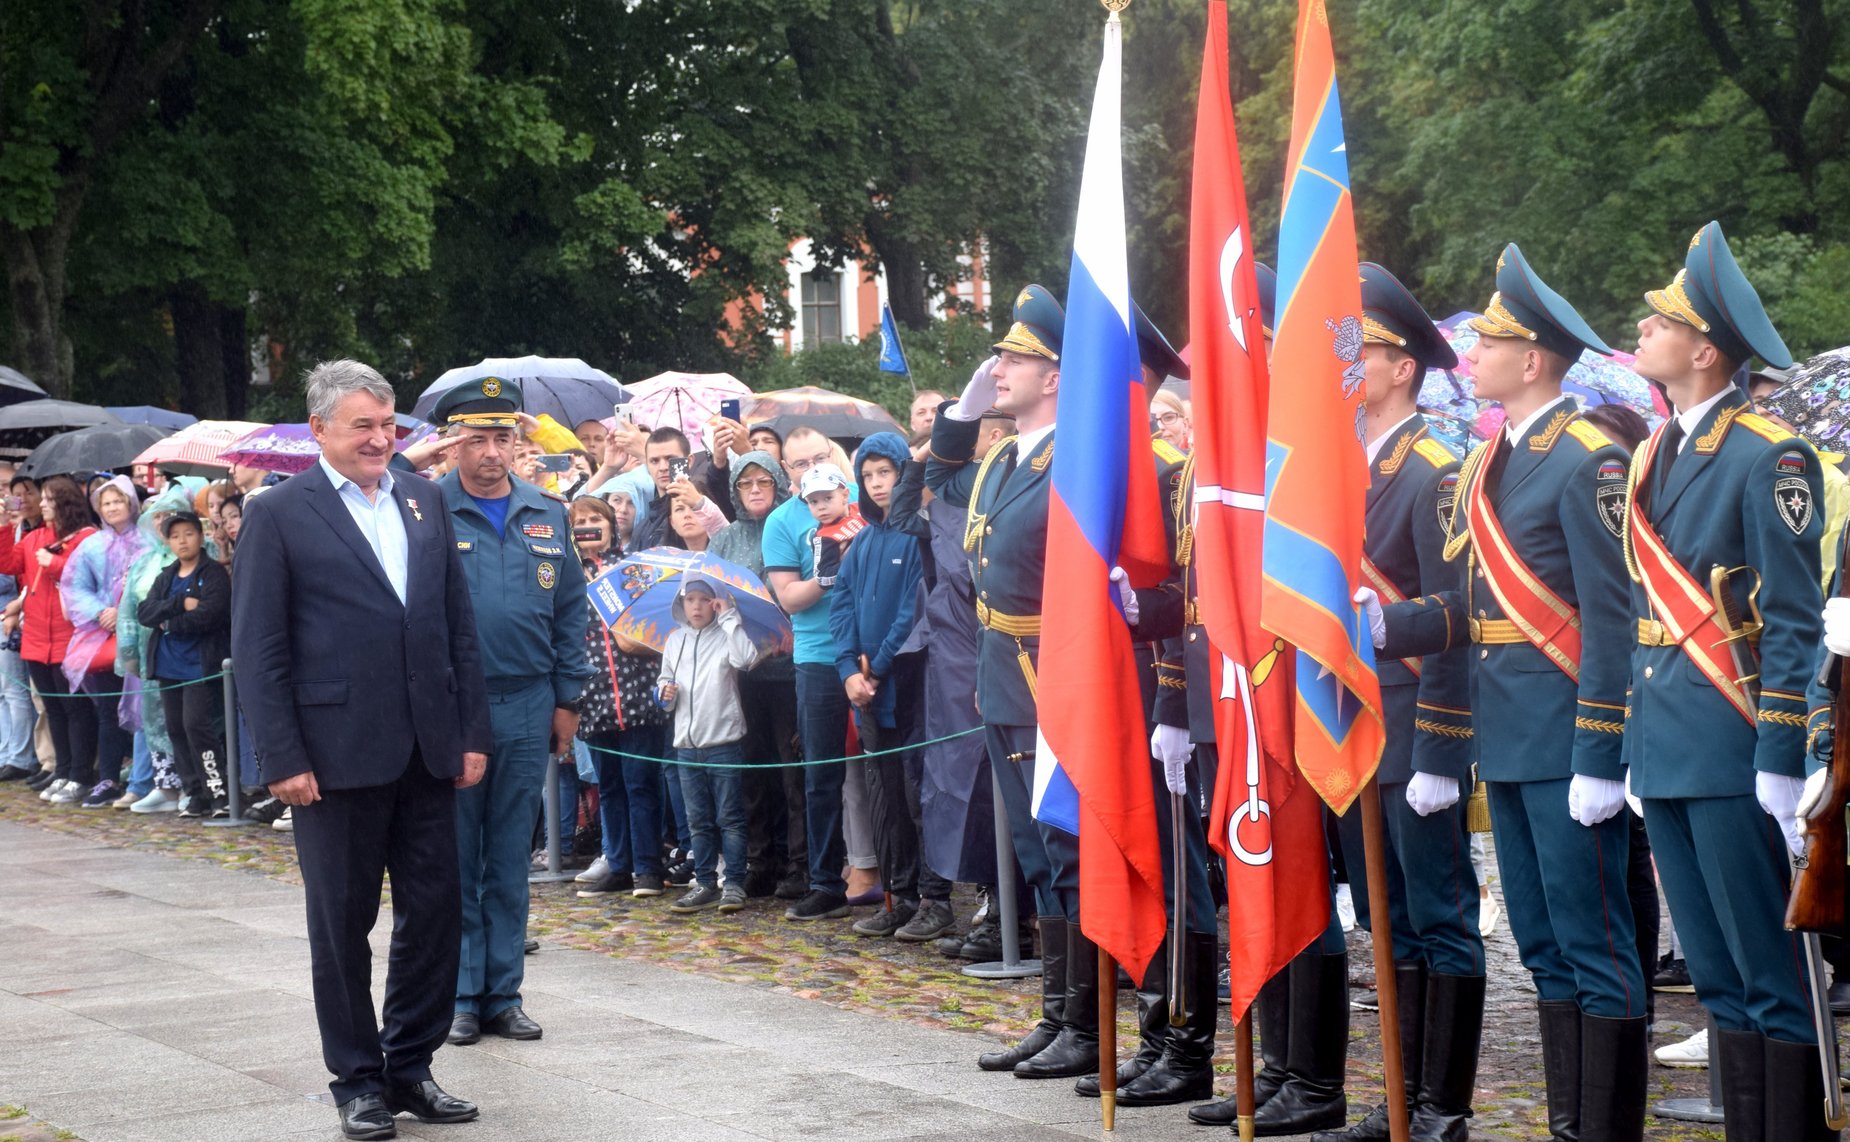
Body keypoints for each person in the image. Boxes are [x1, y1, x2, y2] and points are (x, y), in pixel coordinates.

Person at [1372, 245, 1645, 1140]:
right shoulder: (1490, 462)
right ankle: (1569, 1126)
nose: (1472, 353)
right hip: (1509, 738)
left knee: (1596, 946)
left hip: (1567, 735)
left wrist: (1602, 752)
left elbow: (1610, 620)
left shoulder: (1590, 459)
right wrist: (1388, 624)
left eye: (1490, 340)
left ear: (1533, 361)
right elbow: (1470, 609)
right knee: (1542, 946)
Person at [233, 359, 491, 1139]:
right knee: (342, 924)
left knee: (437, 914)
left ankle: (410, 1065)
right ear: (320, 431)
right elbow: (260, 647)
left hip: (426, 750)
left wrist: (470, 731)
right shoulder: (279, 513)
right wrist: (280, 756)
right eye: (364, 426)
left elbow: (454, 625)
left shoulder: (422, 498)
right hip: (332, 757)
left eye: (388, 425)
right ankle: (357, 1079)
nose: (381, 439)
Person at [1628, 223, 1833, 1139]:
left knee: (1766, 971)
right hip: (1667, 742)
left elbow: (1792, 620)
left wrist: (1781, 752)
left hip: (1731, 739)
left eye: (1662, 319)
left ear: (1704, 350)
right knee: (1713, 975)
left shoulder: (1767, 454)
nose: (1643, 325)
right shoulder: (1652, 452)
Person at [1316, 265, 1481, 1142]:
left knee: (1440, 917)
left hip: (1414, 724)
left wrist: (1444, 750)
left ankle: (1443, 1107)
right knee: (1387, 920)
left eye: (1363, 351)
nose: (1347, 367)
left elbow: (1459, 618)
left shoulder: (1434, 470)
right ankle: (1400, 1100)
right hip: (1353, 716)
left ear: (1404, 367)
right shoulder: (1342, 464)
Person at [926, 284, 1095, 1079]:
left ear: (1056, 374)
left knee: (1068, 851)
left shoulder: (1080, 457)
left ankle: (1087, 1025)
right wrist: (962, 410)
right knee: (1035, 855)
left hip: (1051, 677)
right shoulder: (999, 457)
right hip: (1001, 680)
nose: (999, 367)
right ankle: (1057, 1015)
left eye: (1016, 357)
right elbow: (926, 488)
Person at [431, 376, 589, 1050]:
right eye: (477, 439)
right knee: (457, 857)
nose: (492, 452)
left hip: (529, 701)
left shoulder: (545, 514)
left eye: (502, 438)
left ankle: (504, 993)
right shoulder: (427, 510)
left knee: (510, 854)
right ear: (454, 444)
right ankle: (462, 995)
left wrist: (567, 698)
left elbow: (571, 612)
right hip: (455, 705)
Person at [829, 431, 948, 938]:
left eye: (887, 473)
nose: (878, 484)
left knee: (923, 793)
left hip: (909, 684)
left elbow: (912, 609)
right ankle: (899, 895)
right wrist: (848, 671)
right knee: (886, 798)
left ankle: (936, 900)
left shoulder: (917, 536)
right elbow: (841, 607)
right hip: (866, 693)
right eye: (869, 474)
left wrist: (874, 667)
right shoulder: (861, 542)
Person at [764, 427, 863, 922]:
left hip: (872, 650)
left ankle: (909, 889)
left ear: (835, 458)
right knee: (821, 772)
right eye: (798, 465)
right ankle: (826, 882)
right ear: (786, 473)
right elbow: (788, 598)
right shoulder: (783, 521)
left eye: (817, 459)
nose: (809, 471)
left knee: (890, 772)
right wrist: (827, 576)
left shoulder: (862, 498)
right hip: (819, 654)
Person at [709, 450, 806, 899]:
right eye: (745, 485)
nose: (753, 491)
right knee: (750, 769)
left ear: (778, 485)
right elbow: (706, 592)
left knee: (793, 770)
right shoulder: (726, 539)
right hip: (742, 671)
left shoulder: (790, 524)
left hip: (788, 671)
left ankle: (798, 862)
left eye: (762, 483)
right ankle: (760, 858)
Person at [569, 495, 669, 899]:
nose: (590, 526)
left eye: (597, 518)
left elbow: (655, 626)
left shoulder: (632, 568)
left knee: (640, 782)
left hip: (637, 690)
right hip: (593, 693)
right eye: (581, 521)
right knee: (608, 785)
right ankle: (618, 862)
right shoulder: (564, 573)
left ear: (612, 525)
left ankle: (648, 867)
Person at [656, 576, 762, 913]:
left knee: (729, 817)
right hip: (686, 745)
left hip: (723, 742)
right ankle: (704, 882)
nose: (698, 606)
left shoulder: (727, 634)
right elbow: (664, 683)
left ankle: (733, 881)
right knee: (697, 819)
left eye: (705, 599)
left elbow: (746, 659)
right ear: (681, 605)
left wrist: (730, 617)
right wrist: (664, 695)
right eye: (691, 600)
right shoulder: (675, 641)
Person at [0, 475, 99, 805]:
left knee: (76, 709)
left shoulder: (86, 538)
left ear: (64, 502)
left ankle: (81, 774)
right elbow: (9, 562)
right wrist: (3, 524)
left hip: (69, 638)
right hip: (36, 638)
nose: (40, 503)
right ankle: (64, 770)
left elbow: (91, 578)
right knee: (55, 709)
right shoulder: (35, 537)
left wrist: (55, 563)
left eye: (46, 498)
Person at [60, 476, 150, 809]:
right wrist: (101, 612)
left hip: (136, 634)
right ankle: (109, 776)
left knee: (142, 707)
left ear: (131, 503)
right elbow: (73, 586)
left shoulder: (146, 542)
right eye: (107, 503)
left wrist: (125, 611)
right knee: (108, 710)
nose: (113, 508)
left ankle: (141, 776)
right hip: (98, 636)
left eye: (119, 501)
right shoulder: (91, 545)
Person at [137, 511, 232, 821]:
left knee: (197, 727)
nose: (182, 540)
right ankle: (195, 793)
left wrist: (169, 624)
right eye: (175, 535)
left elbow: (210, 615)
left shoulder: (213, 573)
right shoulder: (167, 575)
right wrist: (178, 605)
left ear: (199, 535)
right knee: (176, 729)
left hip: (199, 666)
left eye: (188, 533)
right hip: (168, 666)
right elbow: (145, 612)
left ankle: (219, 793)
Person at [0, 474, 42, 783]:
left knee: (18, 691)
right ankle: (7, 751)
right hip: (11, 611)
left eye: (12, 490)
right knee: (4, 692)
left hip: (17, 612)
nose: (15, 499)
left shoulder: (31, 530)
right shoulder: (14, 528)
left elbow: (13, 574)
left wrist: (15, 606)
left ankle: (22, 755)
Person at [1149, 388, 1191, 454]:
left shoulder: (1200, 462)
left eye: (1168, 418)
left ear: (1185, 425)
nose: (1160, 427)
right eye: (1152, 421)